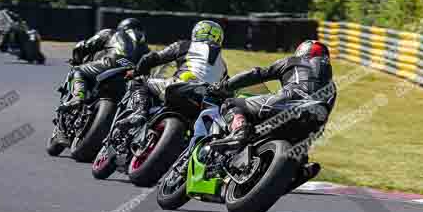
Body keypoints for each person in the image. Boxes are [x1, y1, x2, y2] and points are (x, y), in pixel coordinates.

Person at [213, 40, 336, 186]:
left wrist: (225, 85)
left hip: (286, 103)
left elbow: (257, 74)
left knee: (230, 104)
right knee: (300, 157)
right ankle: (300, 169)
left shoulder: (294, 61)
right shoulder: (332, 87)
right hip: (310, 124)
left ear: (303, 51)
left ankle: (239, 131)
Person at [125, 20, 228, 129]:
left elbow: (150, 58)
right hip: (205, 101)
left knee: (139, 81)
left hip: (180, 87)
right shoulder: (223, 65)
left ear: (196, 33)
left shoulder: (185, 45)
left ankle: (139, 112)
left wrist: (136, 72)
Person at [60, 18, 150, 110]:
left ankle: (78, 97)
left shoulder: (110, 33)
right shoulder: (145, 47)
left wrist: (76, 60)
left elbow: (83, 46)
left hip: (112, 62)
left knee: (78, 70)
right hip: (131, 73)